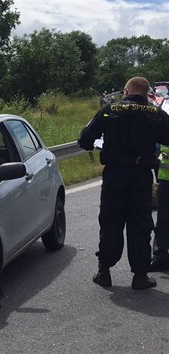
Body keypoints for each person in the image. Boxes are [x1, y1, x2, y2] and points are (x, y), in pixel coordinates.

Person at [78, 76, 169, 290]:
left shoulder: (110, 110)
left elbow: (85, 140)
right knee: (140, 224)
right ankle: (139, 276)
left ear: (126, 90)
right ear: (147, 93)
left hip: (114, 174)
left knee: (110, 222)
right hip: (141, 176)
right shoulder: (157, 114)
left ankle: (104, 272)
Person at [151, 144, 169, 271]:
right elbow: (158, 153)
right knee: (163, 220)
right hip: (166, 181)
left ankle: (160, 255)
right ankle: (160, 256)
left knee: (164, 219)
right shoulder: (161, 124)